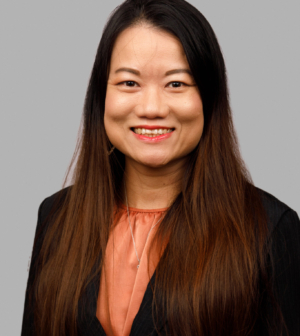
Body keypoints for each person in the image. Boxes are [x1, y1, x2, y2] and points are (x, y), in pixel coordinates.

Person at [21, 0, 300, 335]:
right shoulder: (56, 218)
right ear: (101, 96)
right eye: (129, 83)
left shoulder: (268, 229)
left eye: (176, 84)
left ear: (209, 99)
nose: (151, 108)